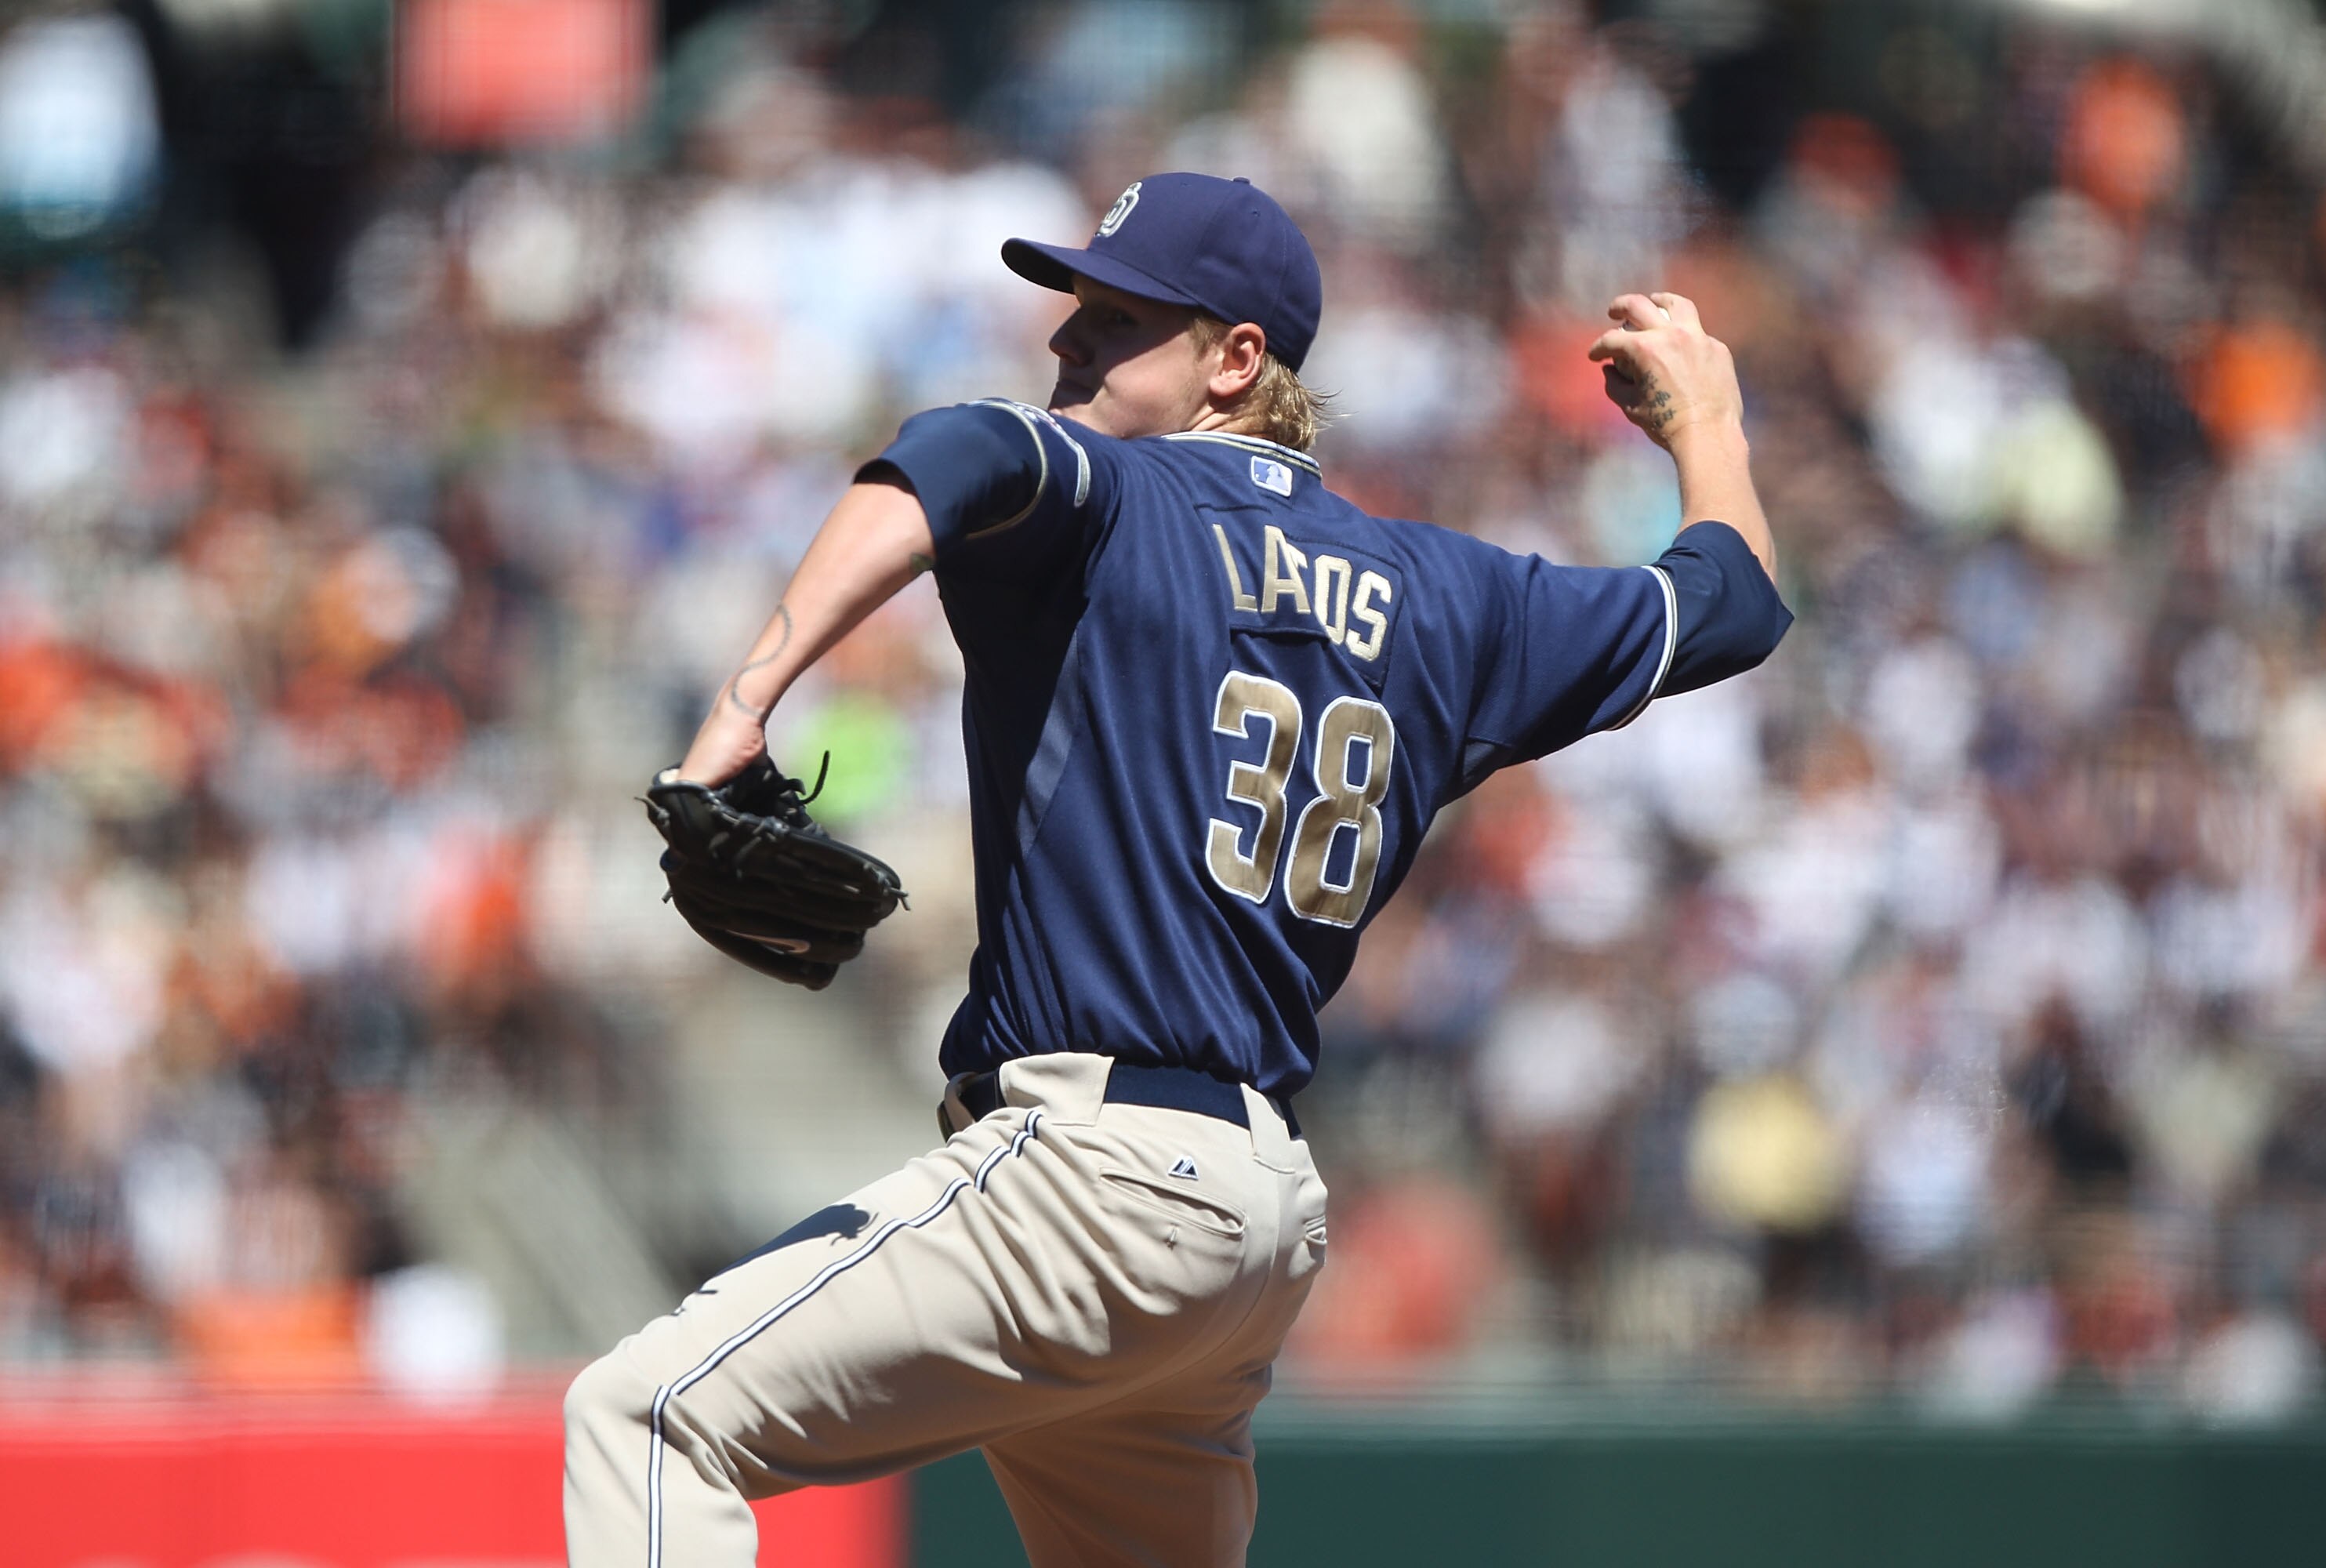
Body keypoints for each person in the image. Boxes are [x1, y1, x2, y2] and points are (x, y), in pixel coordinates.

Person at [562, 172, 1789, 1568]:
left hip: (1093, 1171)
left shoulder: (1119, 498)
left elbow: (956, 455)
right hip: (1246, 1226)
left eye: (1112, 320)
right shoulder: (1453, 596)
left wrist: (745, 702)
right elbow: (1727, 602)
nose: (1064, 346)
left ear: (1235, 361)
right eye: (1072, 315)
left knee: (650, 1414)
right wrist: (1709, 426)